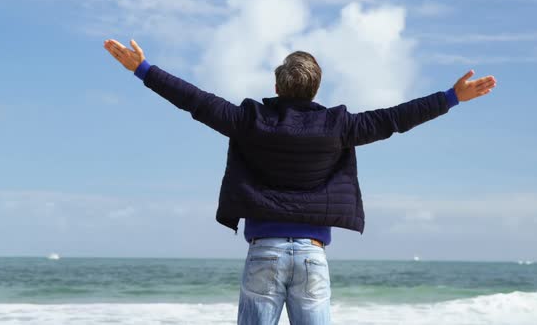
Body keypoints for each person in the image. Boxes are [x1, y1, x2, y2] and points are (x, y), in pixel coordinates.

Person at [103, 38, 496, 325]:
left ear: (276, 87)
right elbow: (395, 119)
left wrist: (143, 69)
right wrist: (450, 97)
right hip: (311, 255)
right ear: (316, 89)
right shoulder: (338, 126)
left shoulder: (249, 121)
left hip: (264, 253)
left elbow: (194, 100)